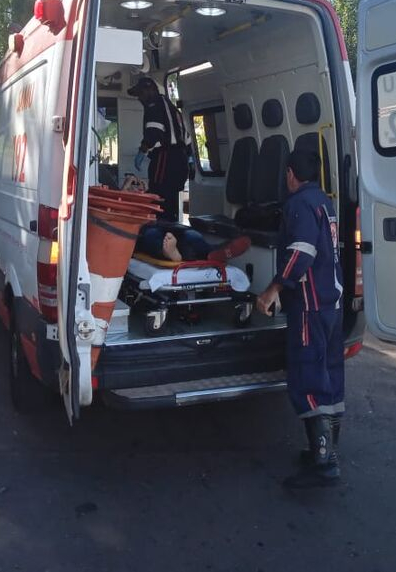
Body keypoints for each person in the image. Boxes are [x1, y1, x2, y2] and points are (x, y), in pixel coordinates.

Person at [256, 149, 344, 489]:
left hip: (309, 305)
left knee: (309, 376)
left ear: (291, 173)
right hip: (331, 302)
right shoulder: (323, 201)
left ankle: (323, 463)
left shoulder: (298, 204)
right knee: (330, 375)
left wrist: (272, 290)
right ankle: (327, 451)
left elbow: (301, 252)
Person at [127, 77, 190, 221]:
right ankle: (171, 227)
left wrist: (142, 151)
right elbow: (187, 138)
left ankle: (161, 229)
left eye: (140, 95)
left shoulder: (154, 106)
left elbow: (153, 132)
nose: (139, 99)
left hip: (166, 159)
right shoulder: (173, 109)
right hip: (181, 158)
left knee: (159, 194)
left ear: (149, 91)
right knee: (172, 198)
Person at [136, 222, 250, 264]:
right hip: (142, 228)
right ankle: (170, 253)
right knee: (151, 236)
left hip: (169, 224)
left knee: (191, 235)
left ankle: (214, 252)